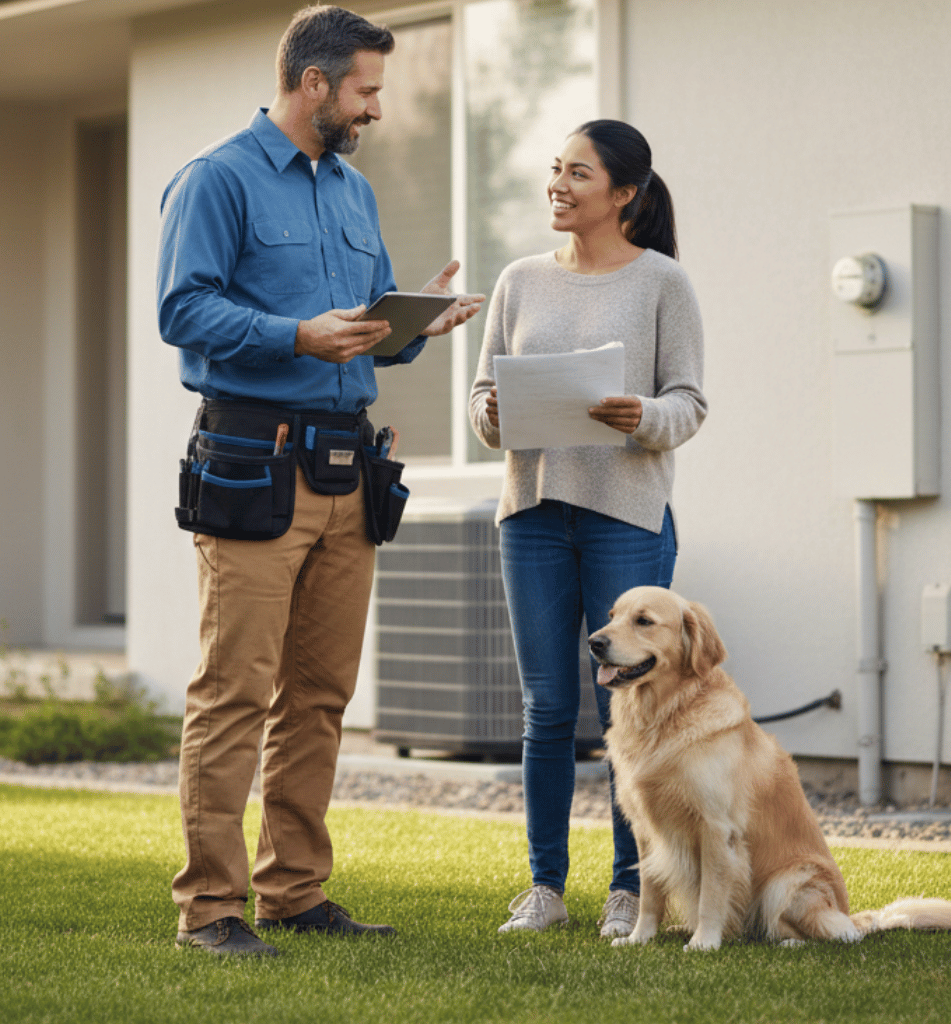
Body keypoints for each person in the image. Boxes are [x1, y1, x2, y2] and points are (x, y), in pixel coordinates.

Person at [158, 5, 483, 957]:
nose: (376, 109)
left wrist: (416, 323)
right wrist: (293, 335)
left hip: (350, 469)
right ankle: (210, 909)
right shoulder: (217, 179)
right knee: (234, 692)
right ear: (314, 85)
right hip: (254, 464)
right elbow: (183, 309)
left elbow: (363, 334)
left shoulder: (351, 192)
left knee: (319, 696)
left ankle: (294, 892)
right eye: (367, 90)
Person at [468, 120, 707, 937]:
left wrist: (642, 415)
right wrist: (490, 413)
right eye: (555, 170)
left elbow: (689, 402)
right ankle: (543, 888)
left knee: (630, 708)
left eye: (579, 173)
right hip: (532, 514)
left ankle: (629, 891)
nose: (558, 186)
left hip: (627, 518)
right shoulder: (519, 280)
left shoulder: (662, 283)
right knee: (545, 708)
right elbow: (479, 402)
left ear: (625, 193)